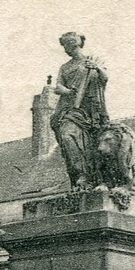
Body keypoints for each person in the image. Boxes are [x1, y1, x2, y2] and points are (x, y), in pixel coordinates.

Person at [50, 31, 110, 191]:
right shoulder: (64, 67)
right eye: (65, 46)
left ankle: (93, 177)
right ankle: (80, 174)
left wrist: (96, 68)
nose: (67, 49)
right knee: (67, 135)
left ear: (76, 45)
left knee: (95, 142)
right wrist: (68, 92)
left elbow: (105, 78)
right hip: (69, 109)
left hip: (90, 107)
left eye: (69, 45)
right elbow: (58, 86)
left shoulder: (91, 61)